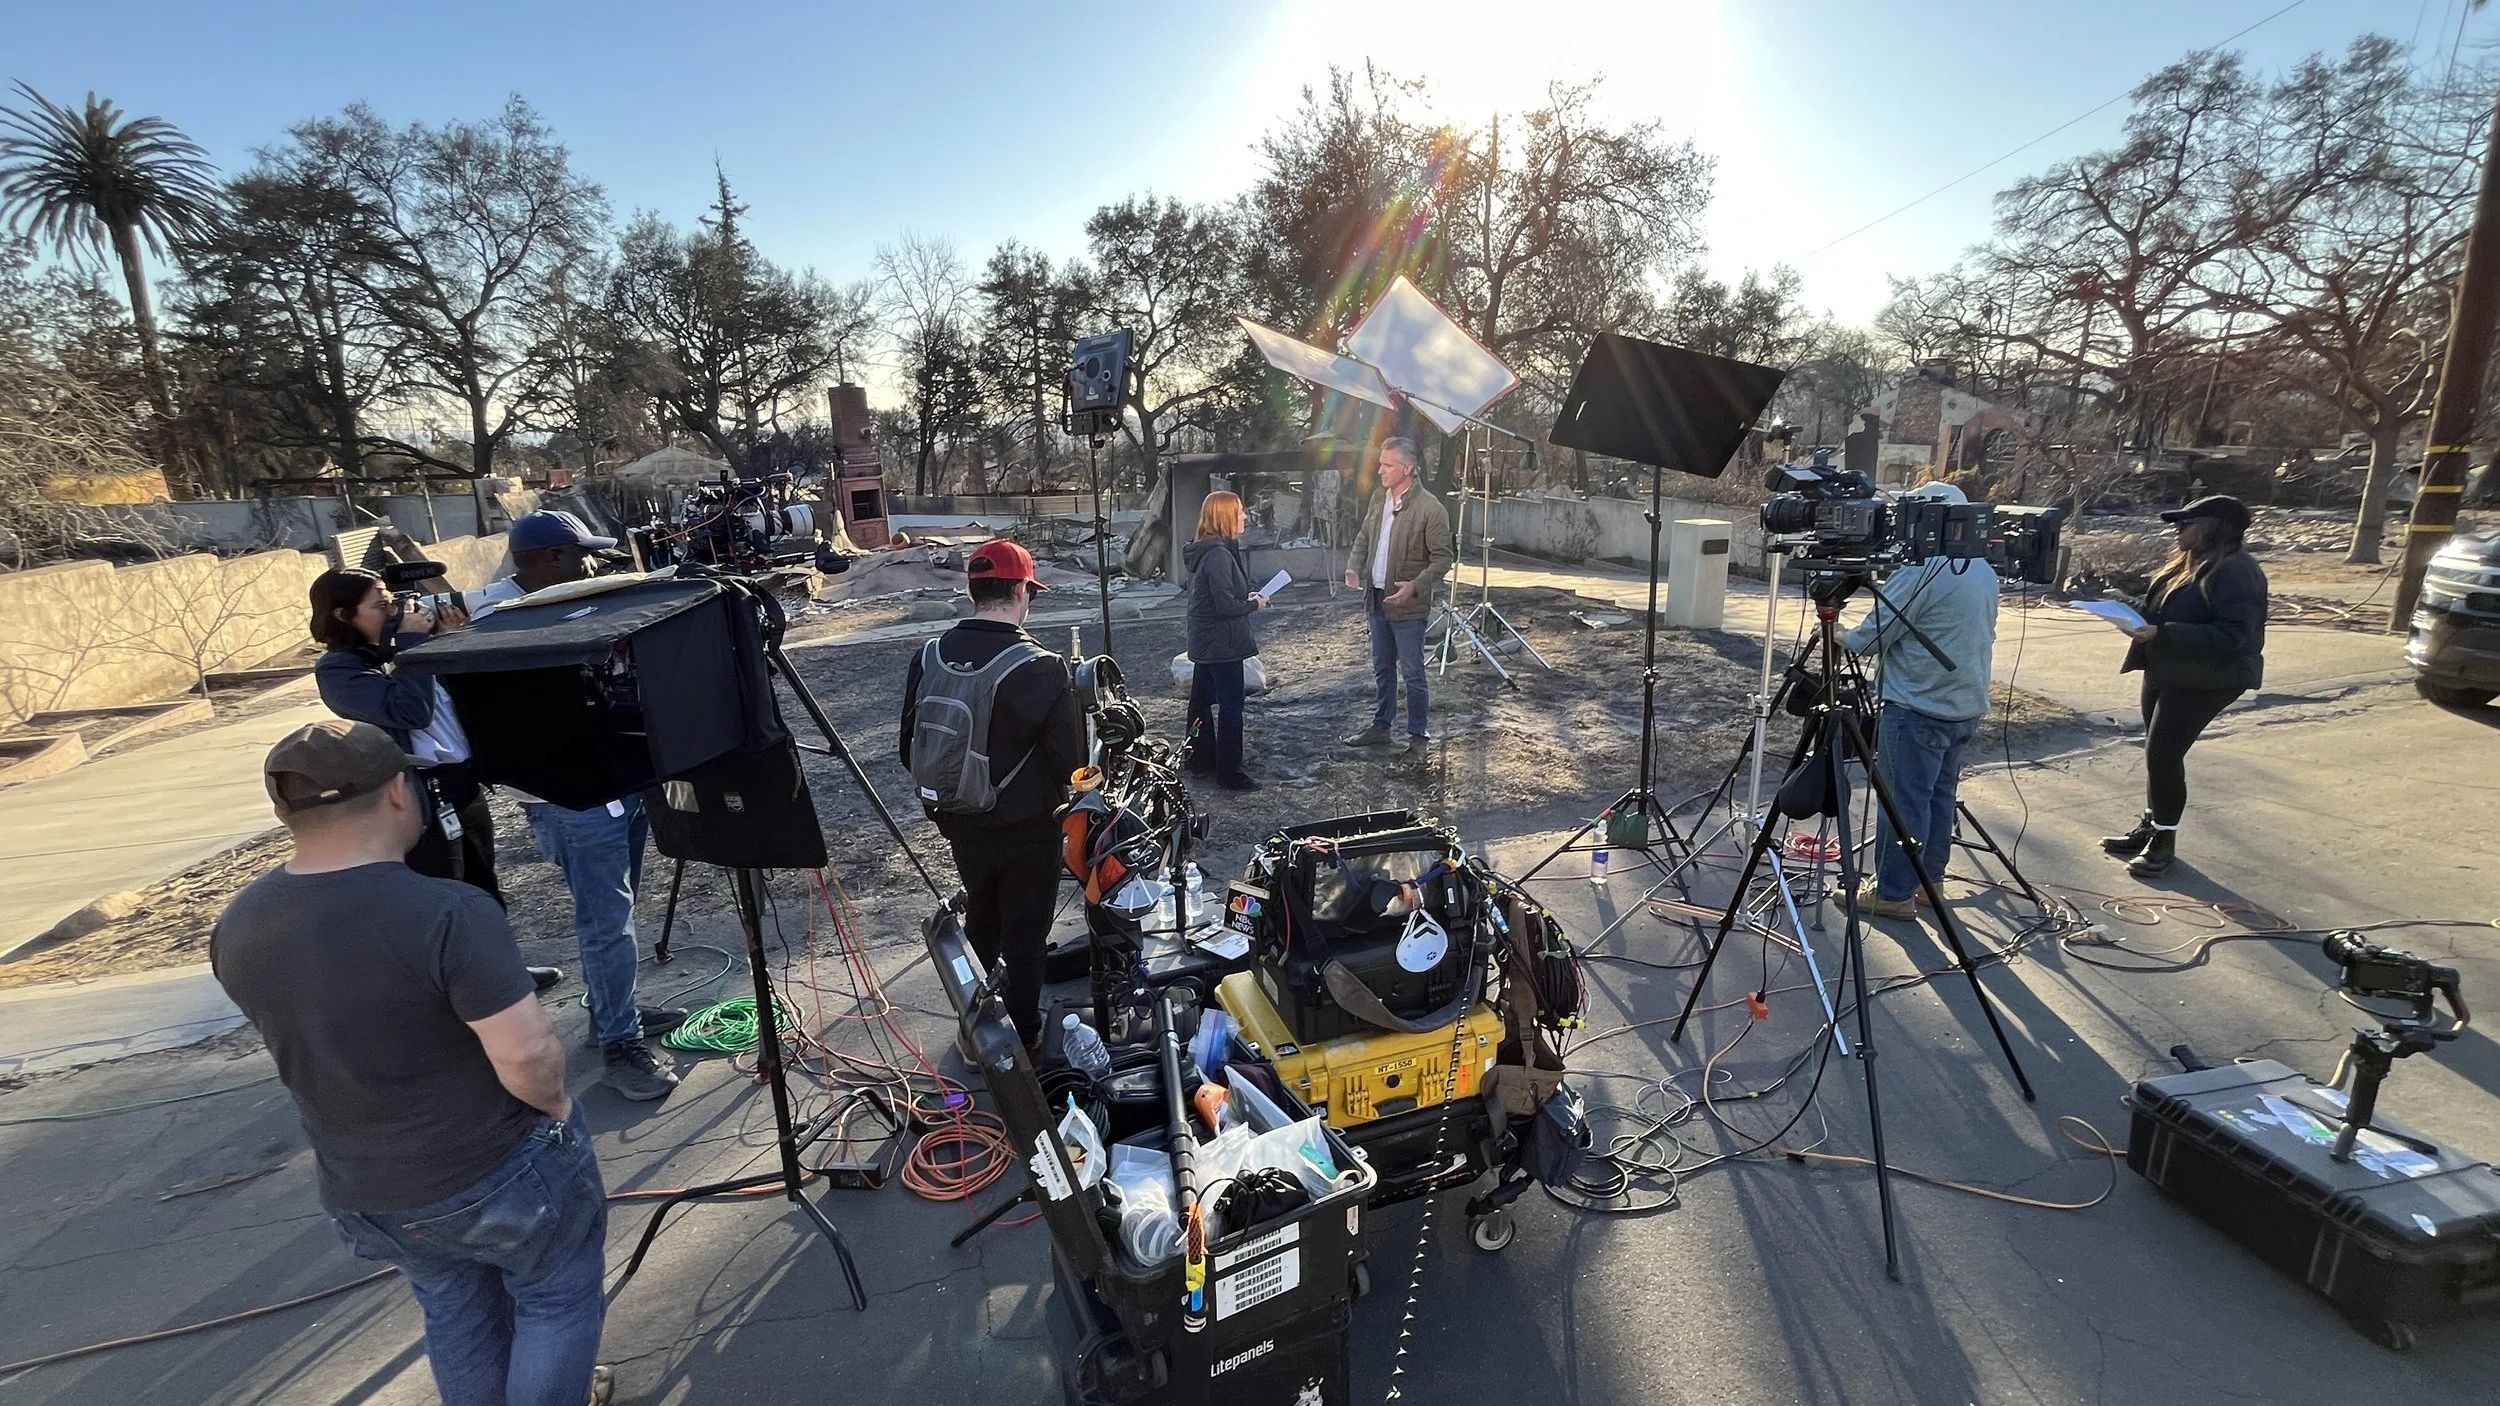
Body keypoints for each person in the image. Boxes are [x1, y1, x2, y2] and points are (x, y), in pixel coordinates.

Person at [212, 720, 609, 1406]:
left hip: (366, 1189)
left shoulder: (239, 922)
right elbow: (528, 1054)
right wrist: (559, 1112)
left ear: (284, 812)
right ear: (400, 791)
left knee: (455, 1312)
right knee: (554, 1299)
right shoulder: (448, 911)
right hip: (492, 1165)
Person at [478, 509, 683, 1102]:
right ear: (549, 560)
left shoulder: (569, 604)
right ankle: (620, 1045)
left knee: (616, 915)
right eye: (581, 556)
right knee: (606, 923)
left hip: (616, 782)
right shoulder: (496, 621)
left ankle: (611, 1012)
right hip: (569, 798)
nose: (592, 565)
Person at [899, 539, 1086, 1048]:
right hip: (1026, 831)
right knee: (1026, 938)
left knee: (981, 917)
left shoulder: (929, 655)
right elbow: (1070, 767)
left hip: (957, 819)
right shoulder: (1043, 667)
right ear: (1021, 589)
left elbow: (907, 746)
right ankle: (1020, 1039)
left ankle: (974, 1031)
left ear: (973, 588)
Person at [1842, 483, 2000, 919]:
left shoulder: (1923, 568)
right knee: (1938, 798)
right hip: (1964, 705)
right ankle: (1929, 883)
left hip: (1918, 706)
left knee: (1903, 804)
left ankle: (1892, 893)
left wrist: (1838, 635)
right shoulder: (1982, 566)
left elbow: (1870, 637)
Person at [310, 567, 502, 904]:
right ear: (343, 615)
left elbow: (466, 703)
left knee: (485, 892)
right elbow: (411, 712)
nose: (394, 613)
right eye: (380, 606)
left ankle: (494, 956)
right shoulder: (340, 670)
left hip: (463, 785)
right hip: (418, 798)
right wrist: (412, 645)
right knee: (446, 898)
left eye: (392, 602)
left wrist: (450, 642)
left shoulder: (402, 651)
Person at [2099, 494, 2267, 879]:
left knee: (2163, 753)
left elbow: (2235, 634)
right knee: (2156, 753)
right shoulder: (2186, 566)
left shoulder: (2238, 571)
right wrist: (2126, 611)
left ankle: (2163, 841)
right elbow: (2166, 610)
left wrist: (2164, 632)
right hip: (2167, 668)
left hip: (2208, 678)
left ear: (2212, 528)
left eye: (2186, 524)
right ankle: (2150, 826)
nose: (2178, 531)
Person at [1340, 436, 1454, 757]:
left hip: (1408, 606)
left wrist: (1415, 586)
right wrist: (1353, 567)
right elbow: (1364, 536)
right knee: (1382, 667)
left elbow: (1443, 558)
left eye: (1387, 465)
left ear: (1407, 468)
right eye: (1380, 464)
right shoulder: (1380, 498)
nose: (1380, 470)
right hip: (1376, 600)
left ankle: (1418, 737)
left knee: (1413, 673)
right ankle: (1381, 727)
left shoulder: (1431, 509)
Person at [1183, 490, 1270, 791]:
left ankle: (1198, 759)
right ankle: (1229, 773)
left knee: (1200, 704)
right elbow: (1224, 606)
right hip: (1222, 644)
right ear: (1224, 516)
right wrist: (1253, 605)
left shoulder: (1205, 550)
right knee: (1231, 708)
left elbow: (1215, 598)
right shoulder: (1218, 554)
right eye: (1240, 511)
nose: (1245, 516)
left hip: (1206, 642)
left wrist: (1245, 598)